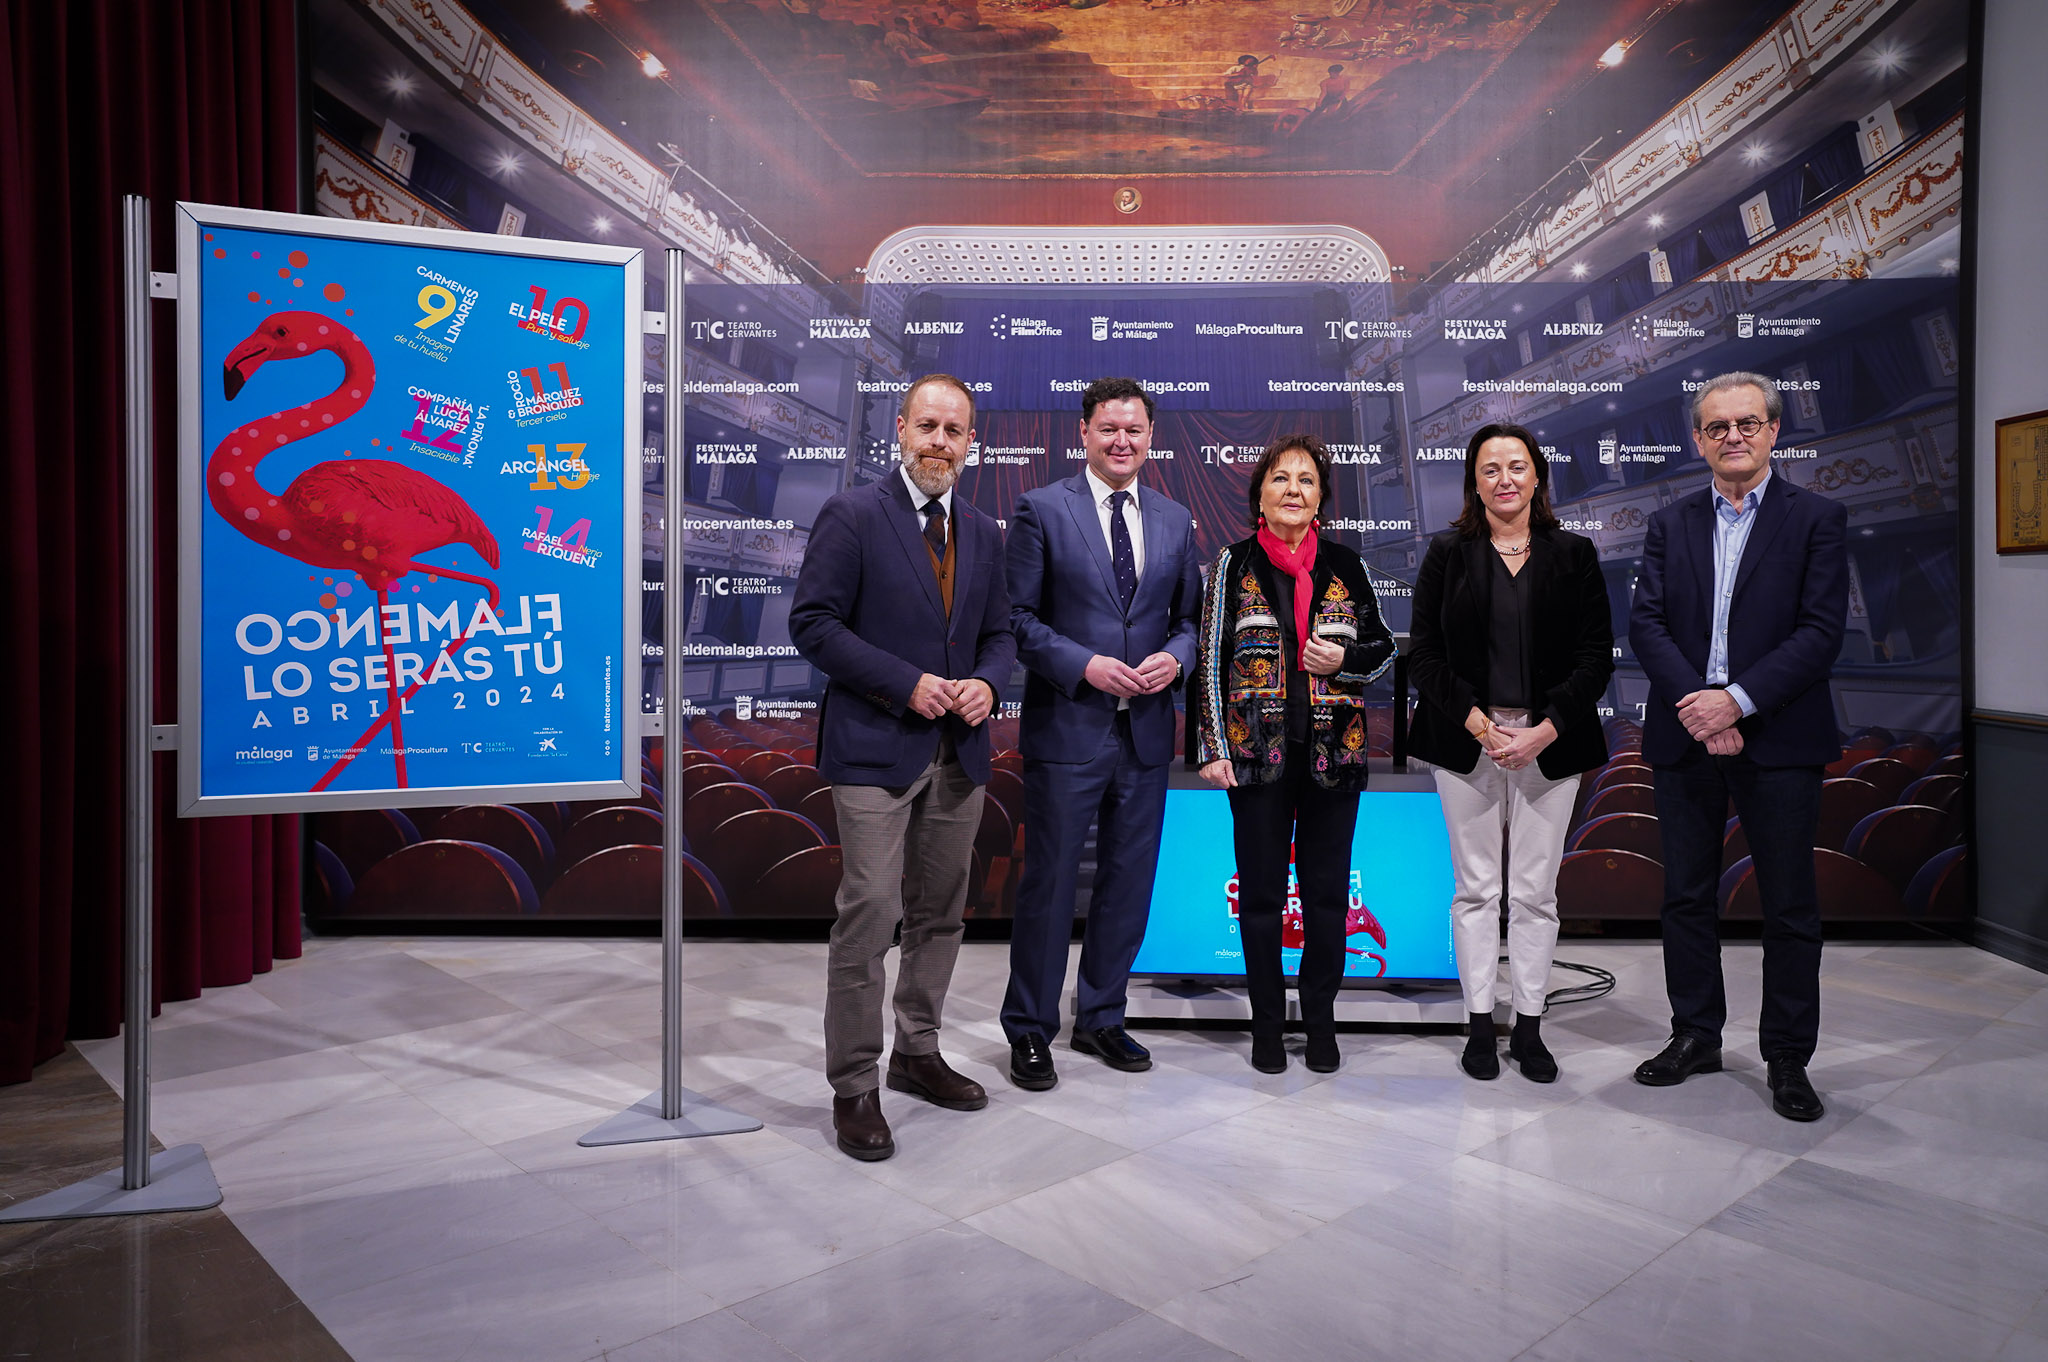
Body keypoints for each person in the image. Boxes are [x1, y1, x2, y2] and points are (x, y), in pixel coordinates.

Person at [788, 374, 1017, 1161]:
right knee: (870, 916)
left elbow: (1000, 634)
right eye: (928, 425)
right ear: (901, 429)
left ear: (971, 445)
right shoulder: (852, 514)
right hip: (874, 751)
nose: (939, 442)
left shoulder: (985, 531)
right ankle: (855, 1086)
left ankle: (917, 1053)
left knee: (940, 916)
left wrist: (989, 681)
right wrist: (904, 684)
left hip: (960, 756)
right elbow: (812, 625)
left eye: (955, 431)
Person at [1629, 371, 1848, 1122]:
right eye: (1717, 426)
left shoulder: (1818, 517)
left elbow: (1820, 634)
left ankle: (1787, 1055)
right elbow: (1647, 625)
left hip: (1779, 733)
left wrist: (1737, 701)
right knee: (1685, 897)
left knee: (1788, 905)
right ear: (1698, 439)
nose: (1733, 436)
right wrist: (1701, 706)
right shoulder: (1669, 523)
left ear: (1773, 431)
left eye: (1748, 423)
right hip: (1686, 732)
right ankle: (1695, 1034)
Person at [1001, 378, 1202, 1090]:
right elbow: (1018, 621)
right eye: (1109, 428)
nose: (1123, 441)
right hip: (1068, 727)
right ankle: (1029, 1028)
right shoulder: (1040, 510)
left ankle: (1102, 1017)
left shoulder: (1176, 521)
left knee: (1128, 883)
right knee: (1050, 886)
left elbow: (1188, 623)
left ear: (1152, 437)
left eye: (1136, 429)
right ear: (1082, 432)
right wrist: (1085, 665)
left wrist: (1174, 659)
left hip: (1147, 733)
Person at [1406, 423, 1615, 1083]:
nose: (1504, 479)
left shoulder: (1575, 555)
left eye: (1516, 466)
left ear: (1537, 477)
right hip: (1466, 740)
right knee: (1475, 890)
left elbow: (1593, 658)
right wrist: (1479, 725)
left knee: (1534, 893)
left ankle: (1528, 1027)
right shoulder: (1447, 553)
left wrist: (1543, 730)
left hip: (1550, 745)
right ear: (1474, 480)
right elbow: (1426, 656)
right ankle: (1476, 1023)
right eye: (1490, 467)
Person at [1194, 435, 1395, 1072]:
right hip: (1257, 757)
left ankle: (1321, 1023)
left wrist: (1345, 659)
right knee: (1259, 897)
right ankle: (1266, 1027)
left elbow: (1384, 647)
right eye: (1281, 479)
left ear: (1320, 500)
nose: (1293, 490)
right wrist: (1213, 746)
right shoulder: (1233, 563)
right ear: (1260, 495)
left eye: (1306, 481)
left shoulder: (1346, 565)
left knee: (1328, 897)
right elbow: (1209, 659)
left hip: (1336, 755)